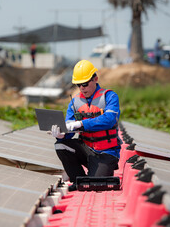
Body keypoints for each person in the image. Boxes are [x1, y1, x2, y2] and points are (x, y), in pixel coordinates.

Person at [49, 60, 122, 191]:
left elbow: (110, 119)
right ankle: (77, 180)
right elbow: (69, 128)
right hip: (86, 149)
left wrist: (81, 124)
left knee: (94, 186)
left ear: (95, 79)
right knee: (61, 145)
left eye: (85, 84)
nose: (82, 88)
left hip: (106, 152)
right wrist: (61, 135)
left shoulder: (110, 96)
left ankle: (97, 174)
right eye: (78, 85)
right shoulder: (74, 102)